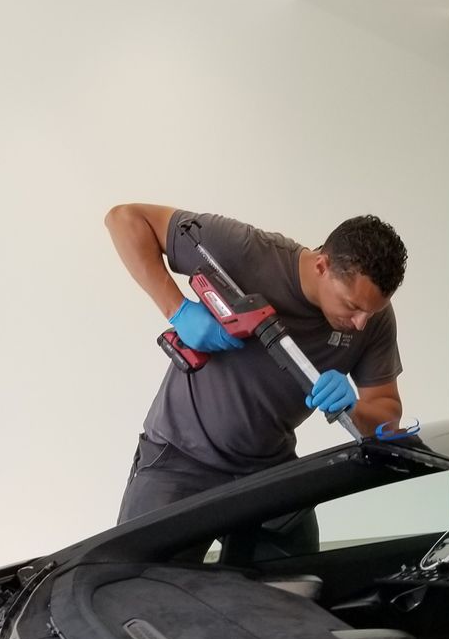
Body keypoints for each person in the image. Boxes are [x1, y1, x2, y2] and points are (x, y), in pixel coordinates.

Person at [106, 204, 406, 527]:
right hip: (179, 456)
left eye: (372, 312)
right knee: (136, 576)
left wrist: (354, 408)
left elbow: (387, 416)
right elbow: (124, 219)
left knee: (305, 576)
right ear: (322, 266)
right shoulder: (247, 250)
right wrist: (178, 311)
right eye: (352, 306)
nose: (362, 323)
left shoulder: (373, 321)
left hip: (267, 467)